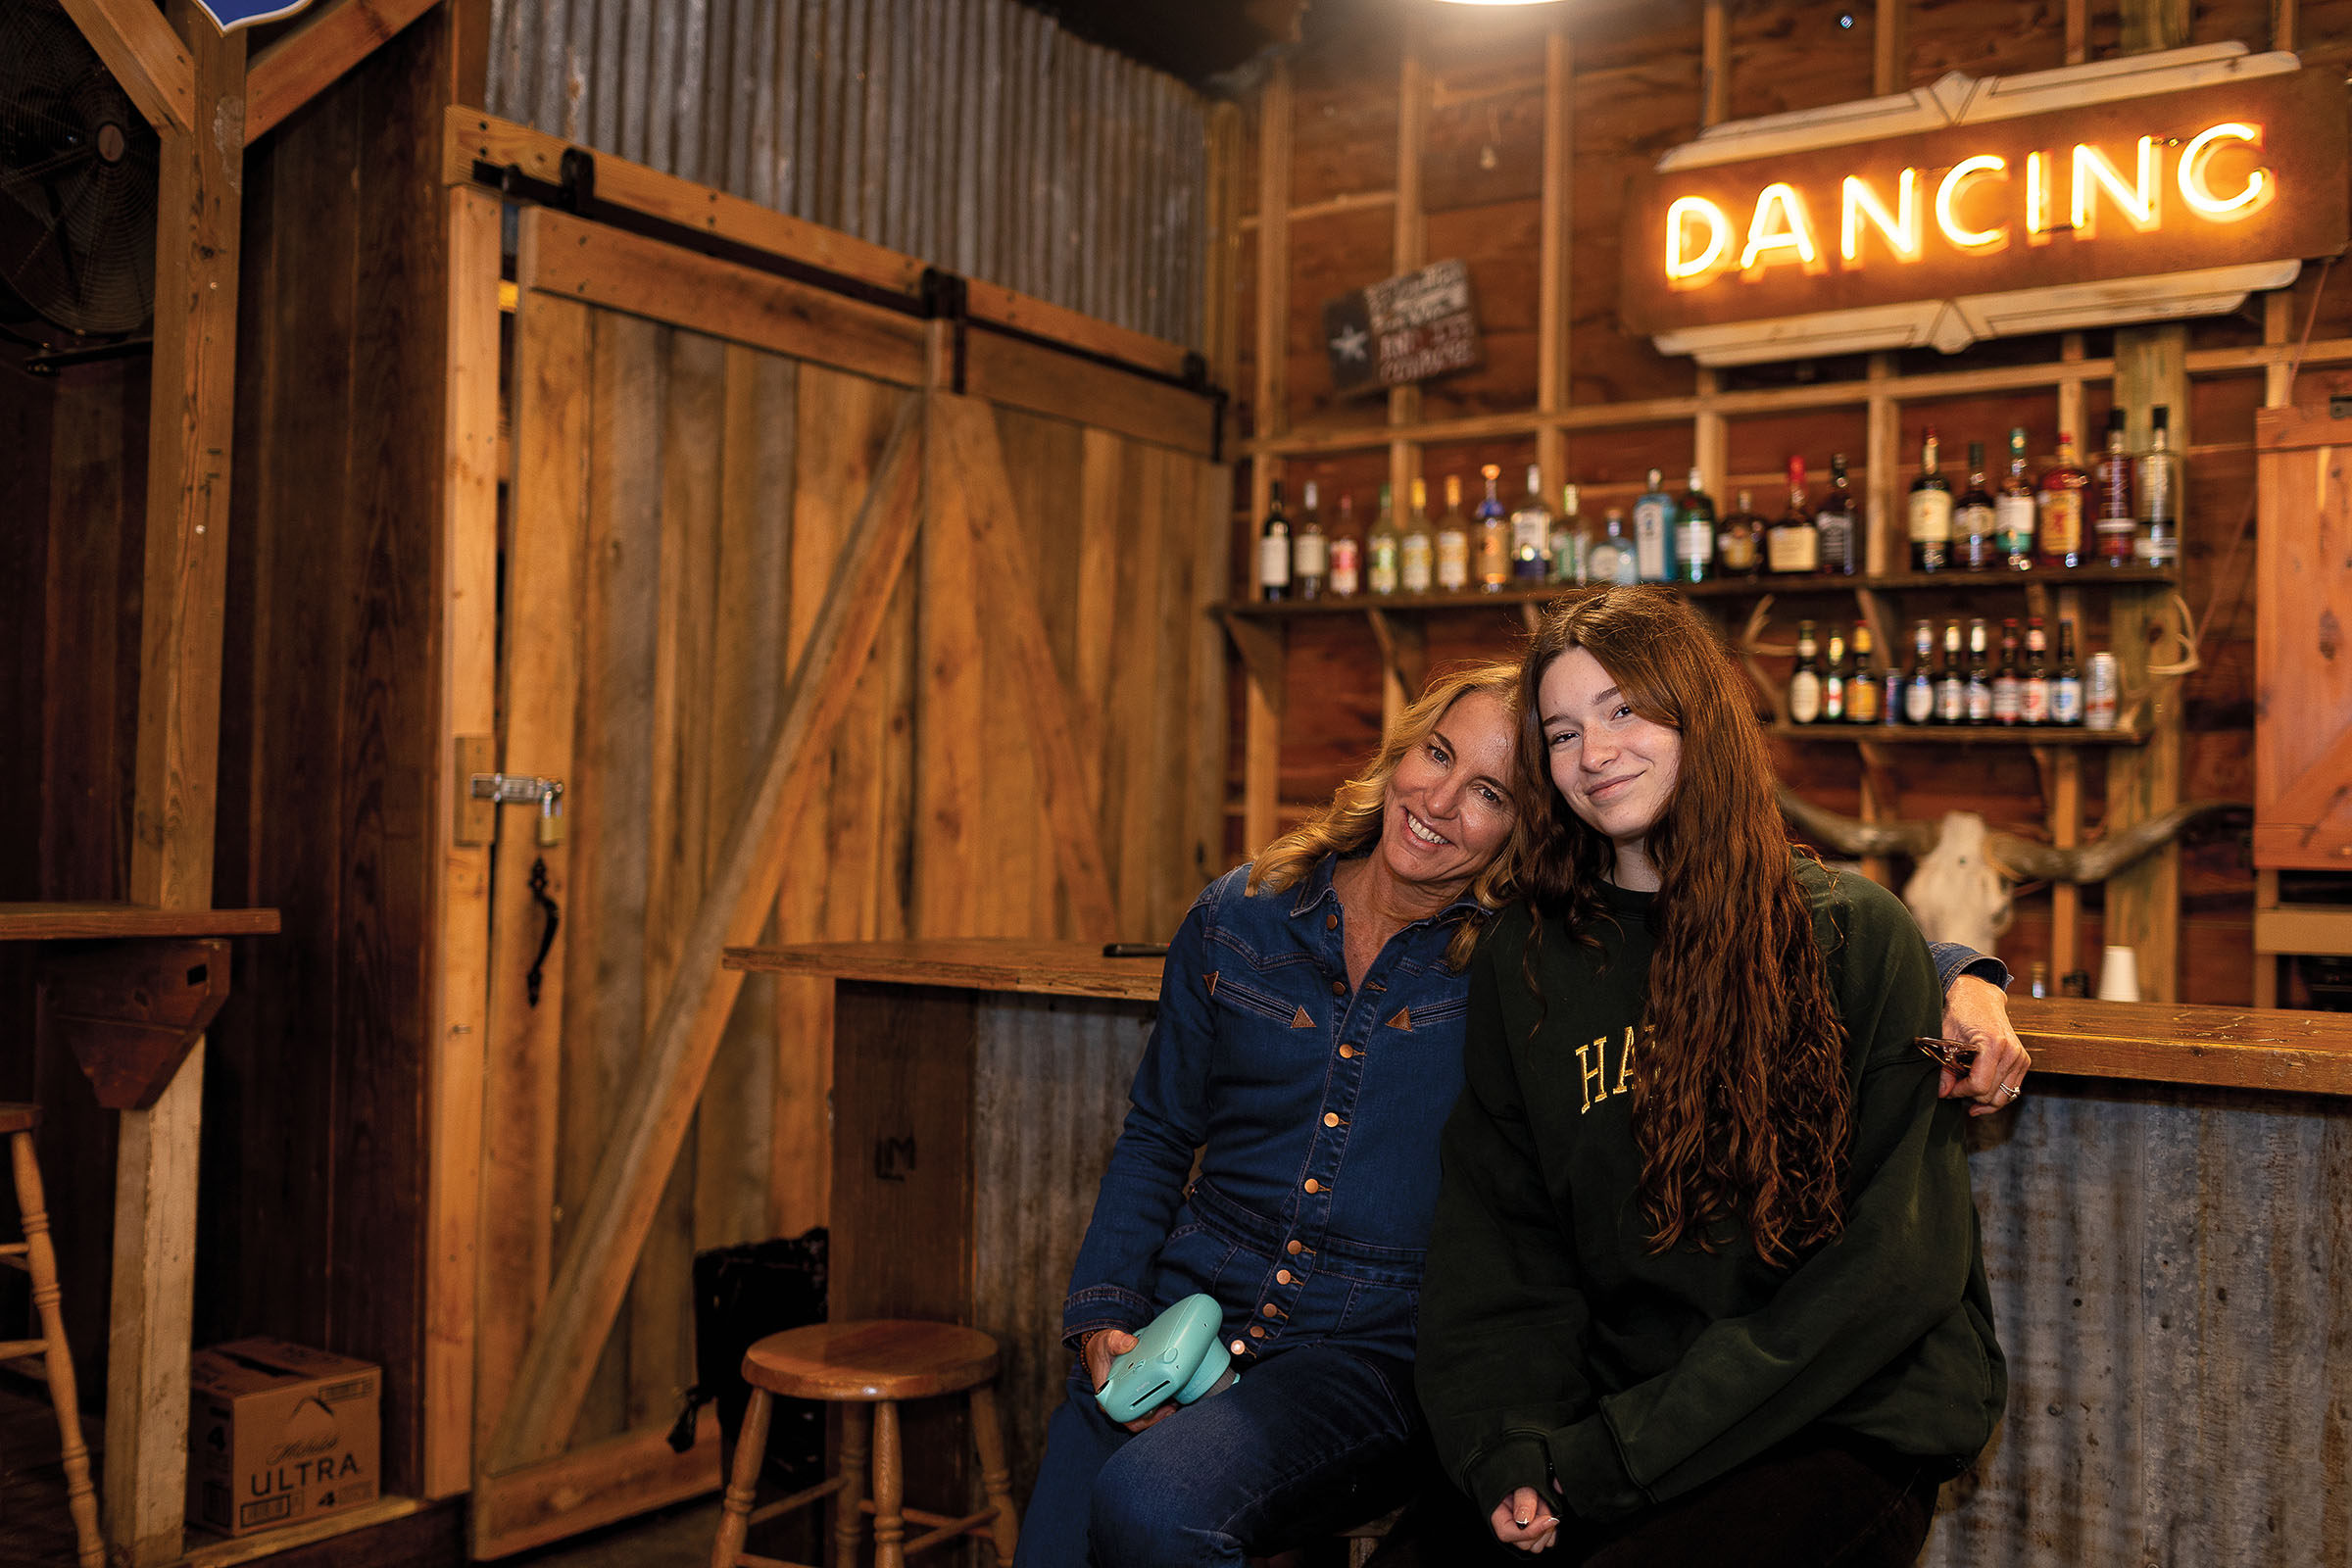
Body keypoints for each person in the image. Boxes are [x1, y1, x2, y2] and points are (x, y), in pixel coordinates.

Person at [1020, 651, 2025, 1568]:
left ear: (1531, 824)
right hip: (1187, 1311)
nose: (1443, 801)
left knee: (1155, 1508)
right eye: (1437, 753)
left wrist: (1962, 972)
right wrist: (1105, 1308)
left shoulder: (1522, 960)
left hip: (1372, 1342)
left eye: (1492, 790)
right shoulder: (1239, 913)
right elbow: (1158, 1130)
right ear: (1398, 748)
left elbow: (1742, 917)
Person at [1415, 586, 2009, 1567]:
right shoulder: (1529, 953)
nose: (1594, 754)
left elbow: (1892, 1267)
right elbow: (1498, 1238)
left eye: (1623, 711)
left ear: (1701, 714)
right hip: (1615, 1414)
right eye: (1562, 732)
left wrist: (1614, 1454)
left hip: (1837, 1419)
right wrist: (1510, 1444)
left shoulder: (1853, 934)